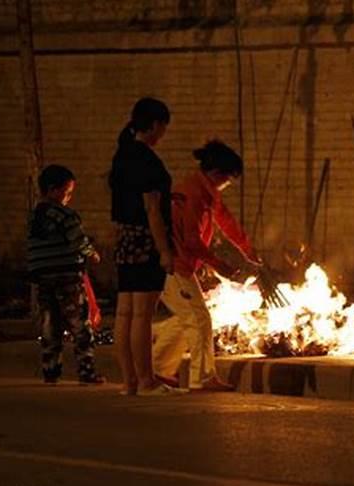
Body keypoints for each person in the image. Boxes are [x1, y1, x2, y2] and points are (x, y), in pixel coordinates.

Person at [153, 140, 261, 391]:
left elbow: (225, 219)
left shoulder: (203, 190)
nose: (227, 185)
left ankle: (157, 369)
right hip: (174, 265)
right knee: (199, 318)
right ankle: (202, 378)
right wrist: (217, 264)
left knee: (186, 317)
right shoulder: (194, 194)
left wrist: (247, 249)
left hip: (179, 264)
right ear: (216, 173)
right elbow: (191, 238)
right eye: (228, 180)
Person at [109, 97, 183, 396]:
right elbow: (152, 209)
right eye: (163, 127)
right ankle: (147, 380)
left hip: (126, 238)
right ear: (154, 125)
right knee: (142, 314)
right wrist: (164, 250)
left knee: (125, 312)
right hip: (146, 240)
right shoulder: (147, 160)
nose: (162, 134)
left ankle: (130, 382)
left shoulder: (122, 155)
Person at [27, 164, 105, 384]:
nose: (68, 198)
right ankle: (86, 371)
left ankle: (51, 370)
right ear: (53, 190)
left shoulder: (34, 217)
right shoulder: (65, 215)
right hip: (67, 277)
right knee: (80, 324)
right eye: (67, 192)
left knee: (50, 324)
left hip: (43, 278)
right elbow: (78, 240)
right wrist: (92, 253)